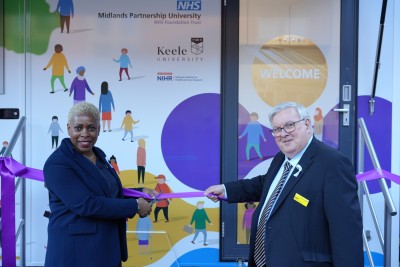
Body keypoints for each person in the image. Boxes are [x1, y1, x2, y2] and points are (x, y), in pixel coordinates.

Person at [205, 102, 363, 267]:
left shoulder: (332, 163)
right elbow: (265, 184)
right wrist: (226, 190)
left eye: (289, 125)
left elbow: (346, 232)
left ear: (307, 125)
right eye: (277, 129)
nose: (283, 134)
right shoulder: (281, 158)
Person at [43, 102, 157, 267]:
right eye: (78, 128)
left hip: (104, 248)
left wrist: (140, 193)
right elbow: (87, 204)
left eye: (91, 128)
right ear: (68, 128)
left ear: (98, 128)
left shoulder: (99, 155)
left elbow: (106, 192)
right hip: (76, 254)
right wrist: (135, 205)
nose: (85, 133)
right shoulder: (58, 163)